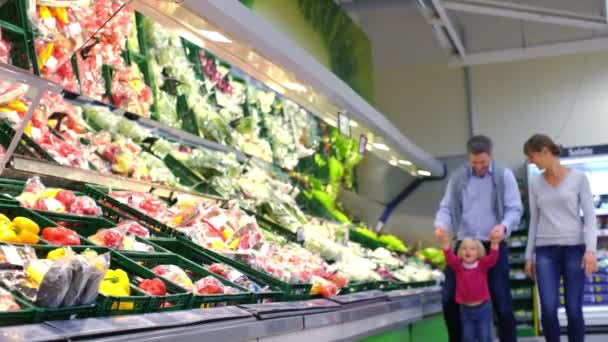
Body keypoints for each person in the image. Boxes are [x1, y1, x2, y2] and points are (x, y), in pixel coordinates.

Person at [434, 135, 523, 342]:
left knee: (501, 301)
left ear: (491, 156)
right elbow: (446, 207)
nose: (479, 167)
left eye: (483, 162)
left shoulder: (504, 176)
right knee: (449, 299)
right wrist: (441, 225)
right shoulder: (458, 178)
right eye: (474, 163)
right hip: (464, 245)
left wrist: (504, 226)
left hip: (493, 245)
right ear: (469, 158)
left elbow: (515, 209)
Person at [523, 134, 598, 342]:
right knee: (547, 309)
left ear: (545, 152)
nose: (531, 161)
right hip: (545, 252)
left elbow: (590, 218)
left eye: (532, 156)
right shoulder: (535, 183)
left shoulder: (579, 178)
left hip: (574, 249)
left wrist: (590, 250)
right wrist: (529, 255)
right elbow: (534, 221)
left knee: (573, 309)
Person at [436, 229, 502, 342]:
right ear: (460, 252)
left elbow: (493, 258)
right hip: (465, 309)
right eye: (464, 248)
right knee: (467, 337)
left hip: (483, 308)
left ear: (479, 252)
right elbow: (449, 258)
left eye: (472, 249)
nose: (468, 251)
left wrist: (495, 244)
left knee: (485, 336)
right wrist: (445, 245)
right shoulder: (458, 266)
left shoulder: (482, 265)